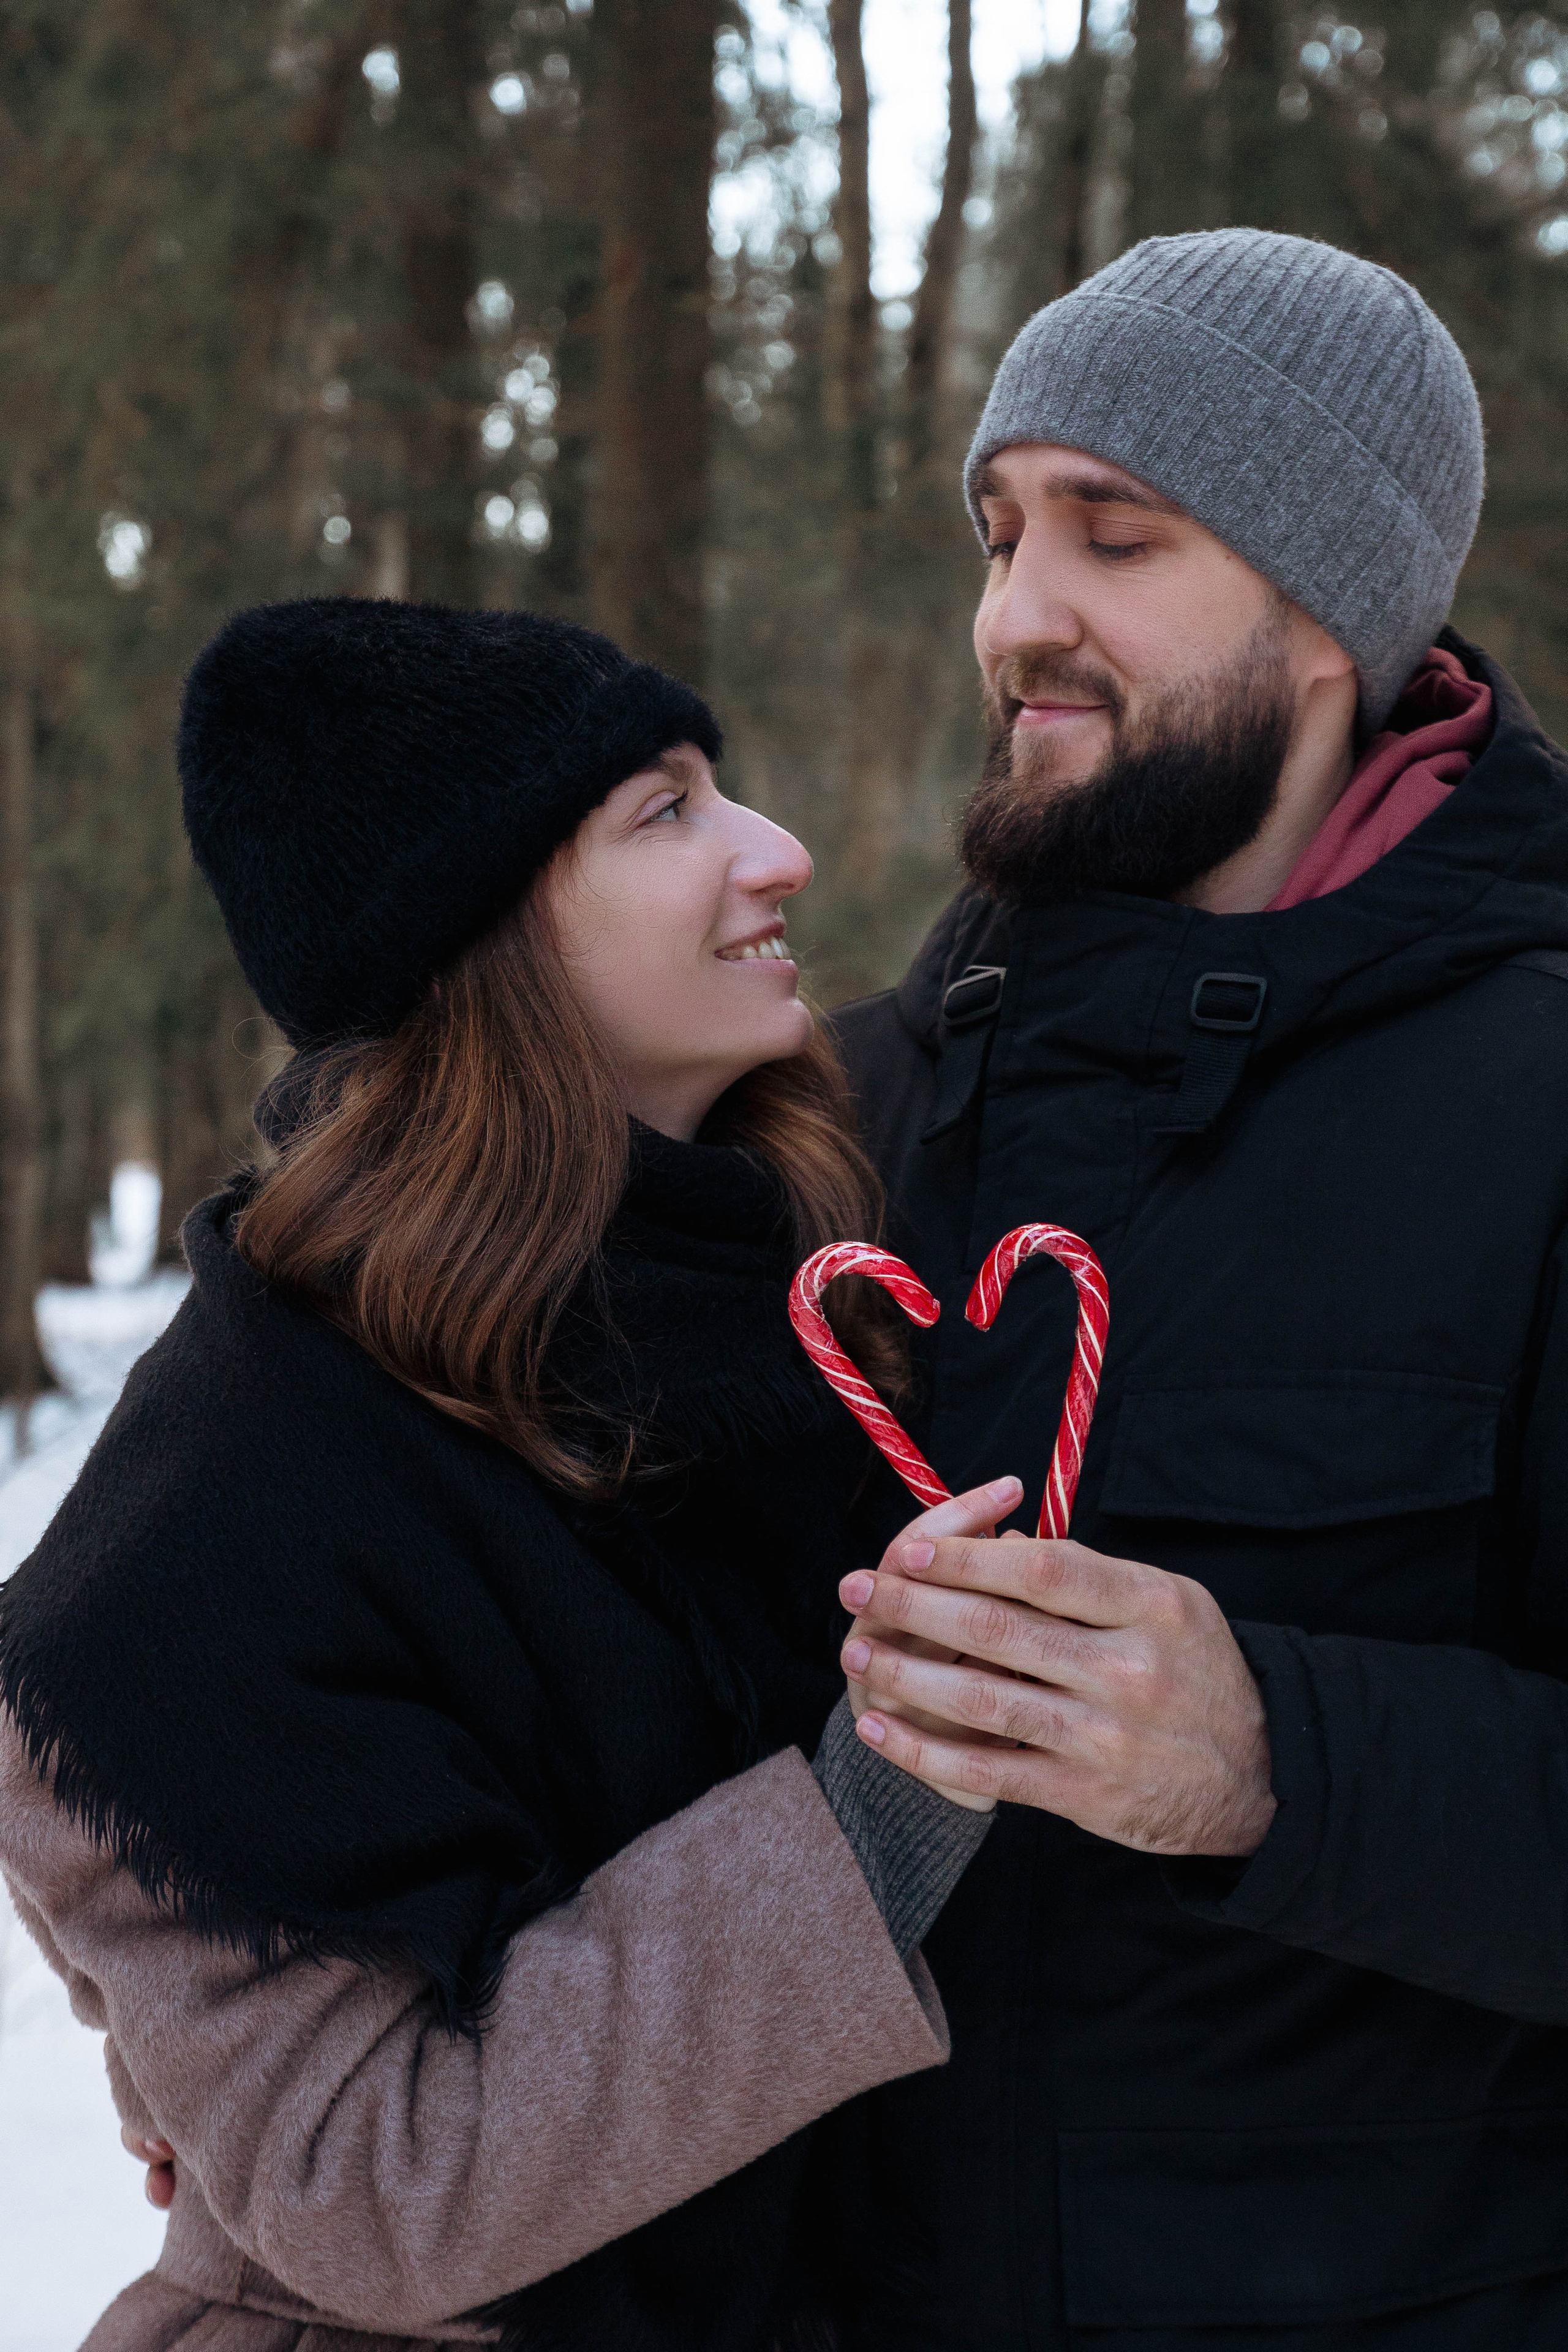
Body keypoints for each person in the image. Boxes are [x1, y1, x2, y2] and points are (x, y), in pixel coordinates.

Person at [0, 598, 1006, 2352]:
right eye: (667, 811)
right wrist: (884, 1815)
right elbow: (375, 2181)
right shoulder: (236, 1492)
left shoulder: (778, 1305)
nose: (781, 850)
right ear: (488, 941)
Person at [826, 228, 1568, 2348]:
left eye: (1113, 536)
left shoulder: (1540, 1105)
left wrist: (1278, 1760)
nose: (1013, 616)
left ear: (1328, 607)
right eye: (999, 533)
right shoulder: (855, 1106)